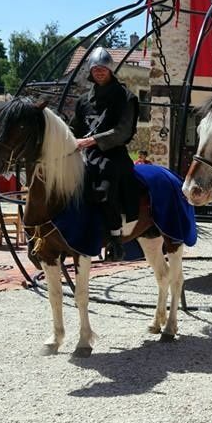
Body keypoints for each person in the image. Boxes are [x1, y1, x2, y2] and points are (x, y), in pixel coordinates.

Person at [71, 47, 139, 262]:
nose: (99, 72)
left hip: (113, 154)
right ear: (90, 72)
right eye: (95, 69)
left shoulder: (126, 97)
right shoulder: (83, 101)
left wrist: (92, 140)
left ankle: (115, 237)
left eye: (103, 68)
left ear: (110, 70)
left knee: (106, 185)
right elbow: (74, 128)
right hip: (86, 154)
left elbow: (123, 131)